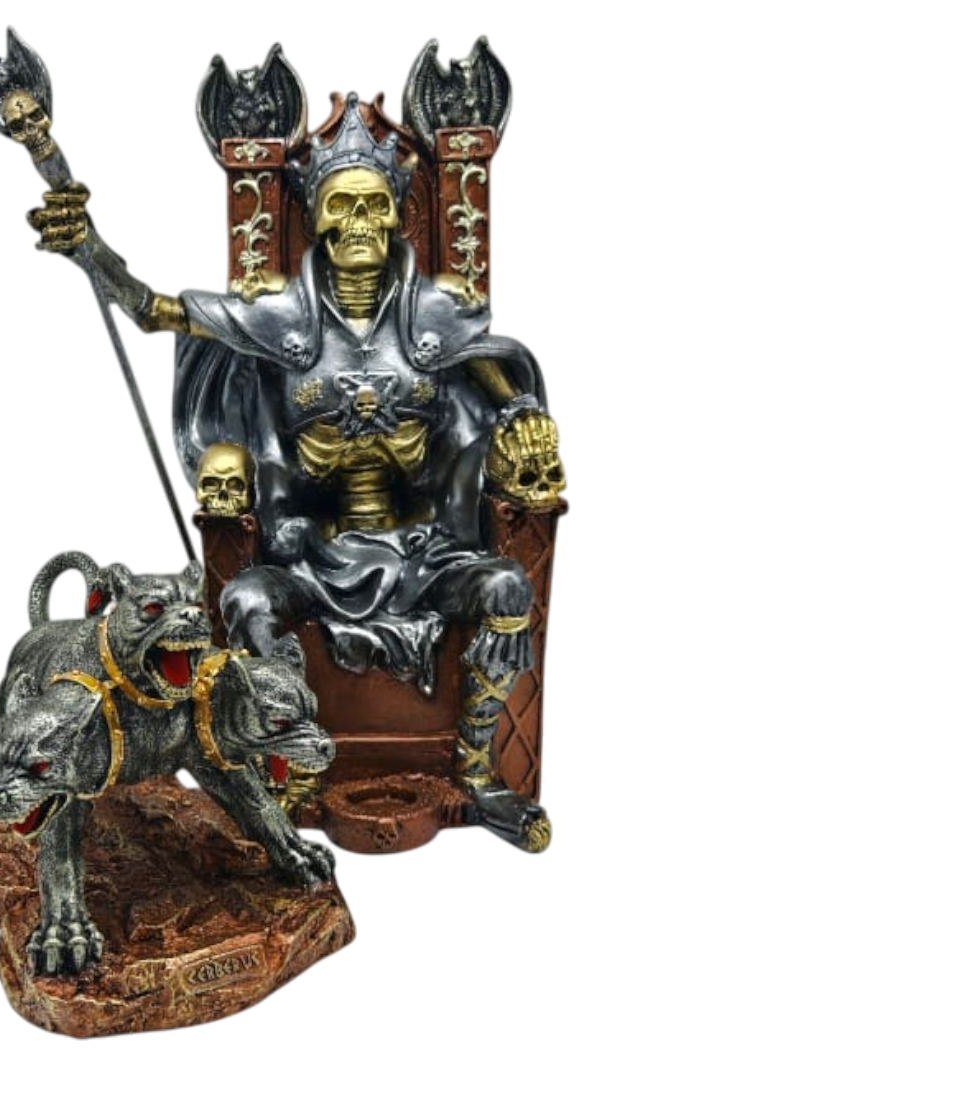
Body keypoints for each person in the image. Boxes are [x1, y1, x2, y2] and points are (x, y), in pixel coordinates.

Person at [28, 93, 565, 852]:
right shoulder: (281, 317)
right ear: (315, 218)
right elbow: (154, 312)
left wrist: (524, 417)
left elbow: (501, 379)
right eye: (342, 207)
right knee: (246, 598)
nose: (360, 225)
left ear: (396, 216)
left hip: (425, 553)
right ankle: (286, 773)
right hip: (314, 554)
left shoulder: (437, 314)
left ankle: (480, 776)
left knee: (507, 587)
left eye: (375, 207)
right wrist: (89, 244)